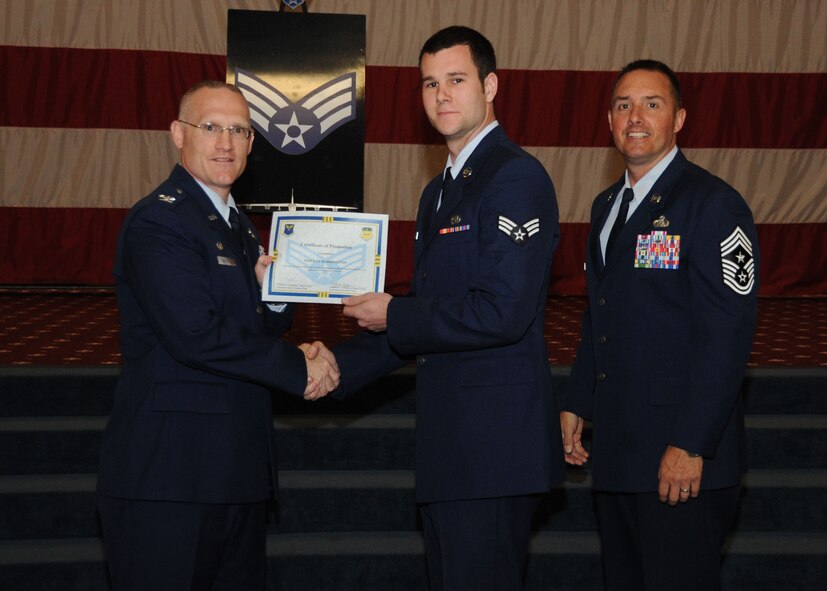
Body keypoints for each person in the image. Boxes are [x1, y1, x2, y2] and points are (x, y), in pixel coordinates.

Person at [333, 26, 564, 591]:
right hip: (451, 448)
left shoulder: (515, 177)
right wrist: (335, 365)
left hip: (492, 449)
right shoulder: (438, 191)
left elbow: (502, 312)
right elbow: (432, 315)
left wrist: (395, 314)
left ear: (490, 86)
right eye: (429, 83)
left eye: (456, 80)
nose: (441, 95)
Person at [97, 80, 340, 590]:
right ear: (177, 135)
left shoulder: (239, 225)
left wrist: (273, 296)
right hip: (172, 479)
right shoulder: (160, 221)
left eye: (239, 130)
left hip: (235, 472)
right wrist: (299, 366)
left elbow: (247, 326)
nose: (226, 142)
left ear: (252, 143)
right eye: (210, 128)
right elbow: (196, 335)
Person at [561, 60, 759, 590]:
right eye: (623, 105)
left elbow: (727, 335)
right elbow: (598, 315)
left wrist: (691, 444)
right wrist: (577, 400)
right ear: (608, 121)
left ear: (679, 119)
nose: (636, 117)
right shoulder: (606, 206)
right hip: (620, 455)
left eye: (653, 104)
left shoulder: (713, 204)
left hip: (682, 461)